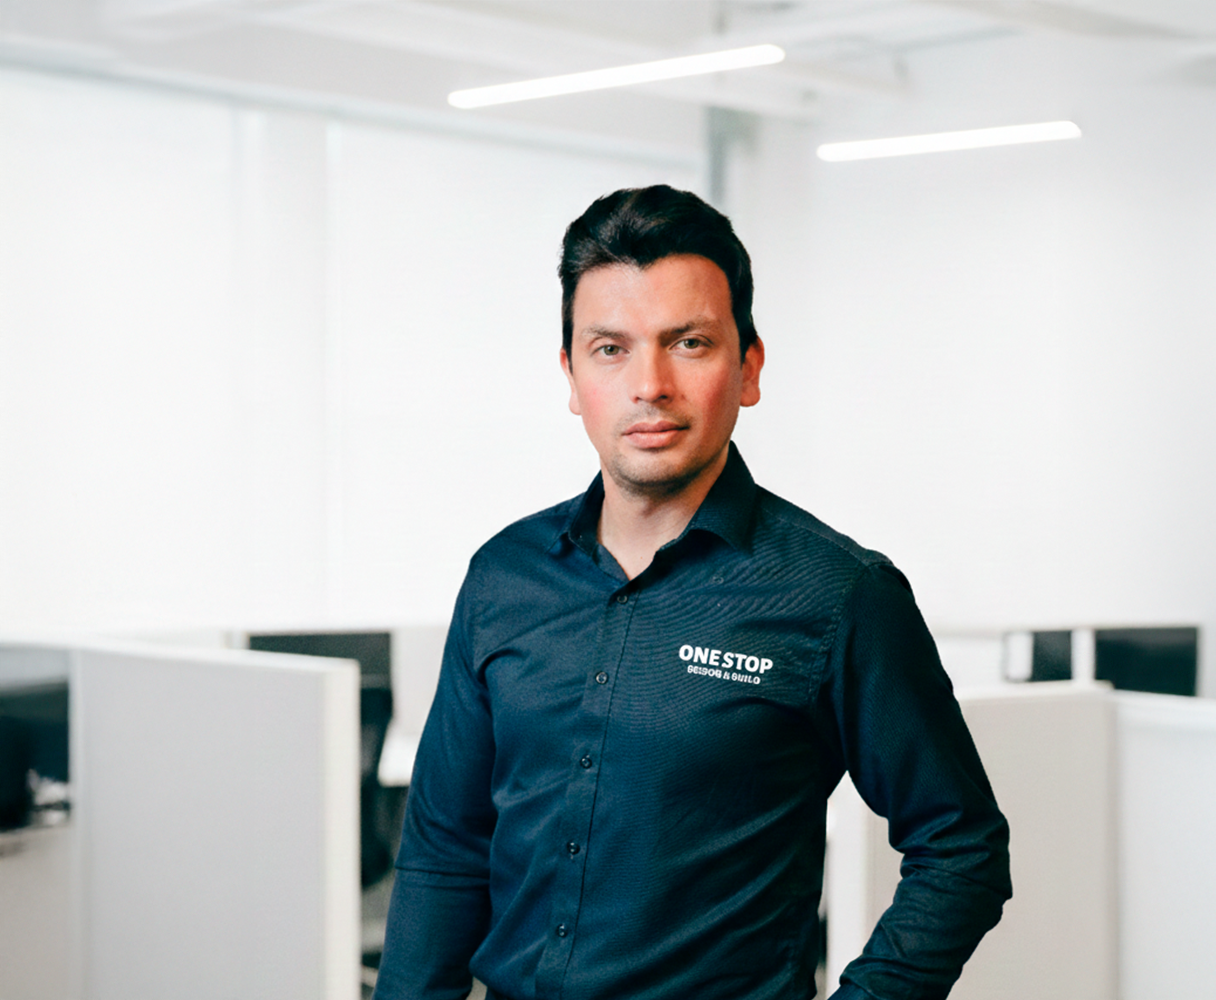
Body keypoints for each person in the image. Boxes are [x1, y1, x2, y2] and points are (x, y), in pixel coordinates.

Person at [373, 185, 1011, 1000]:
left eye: (690, 343)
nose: (650, 384)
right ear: (571, 374)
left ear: (748, 368)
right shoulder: (504, 576)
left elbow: (960, 846)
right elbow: (445, 851)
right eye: (610, 348)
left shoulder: (840, 595)